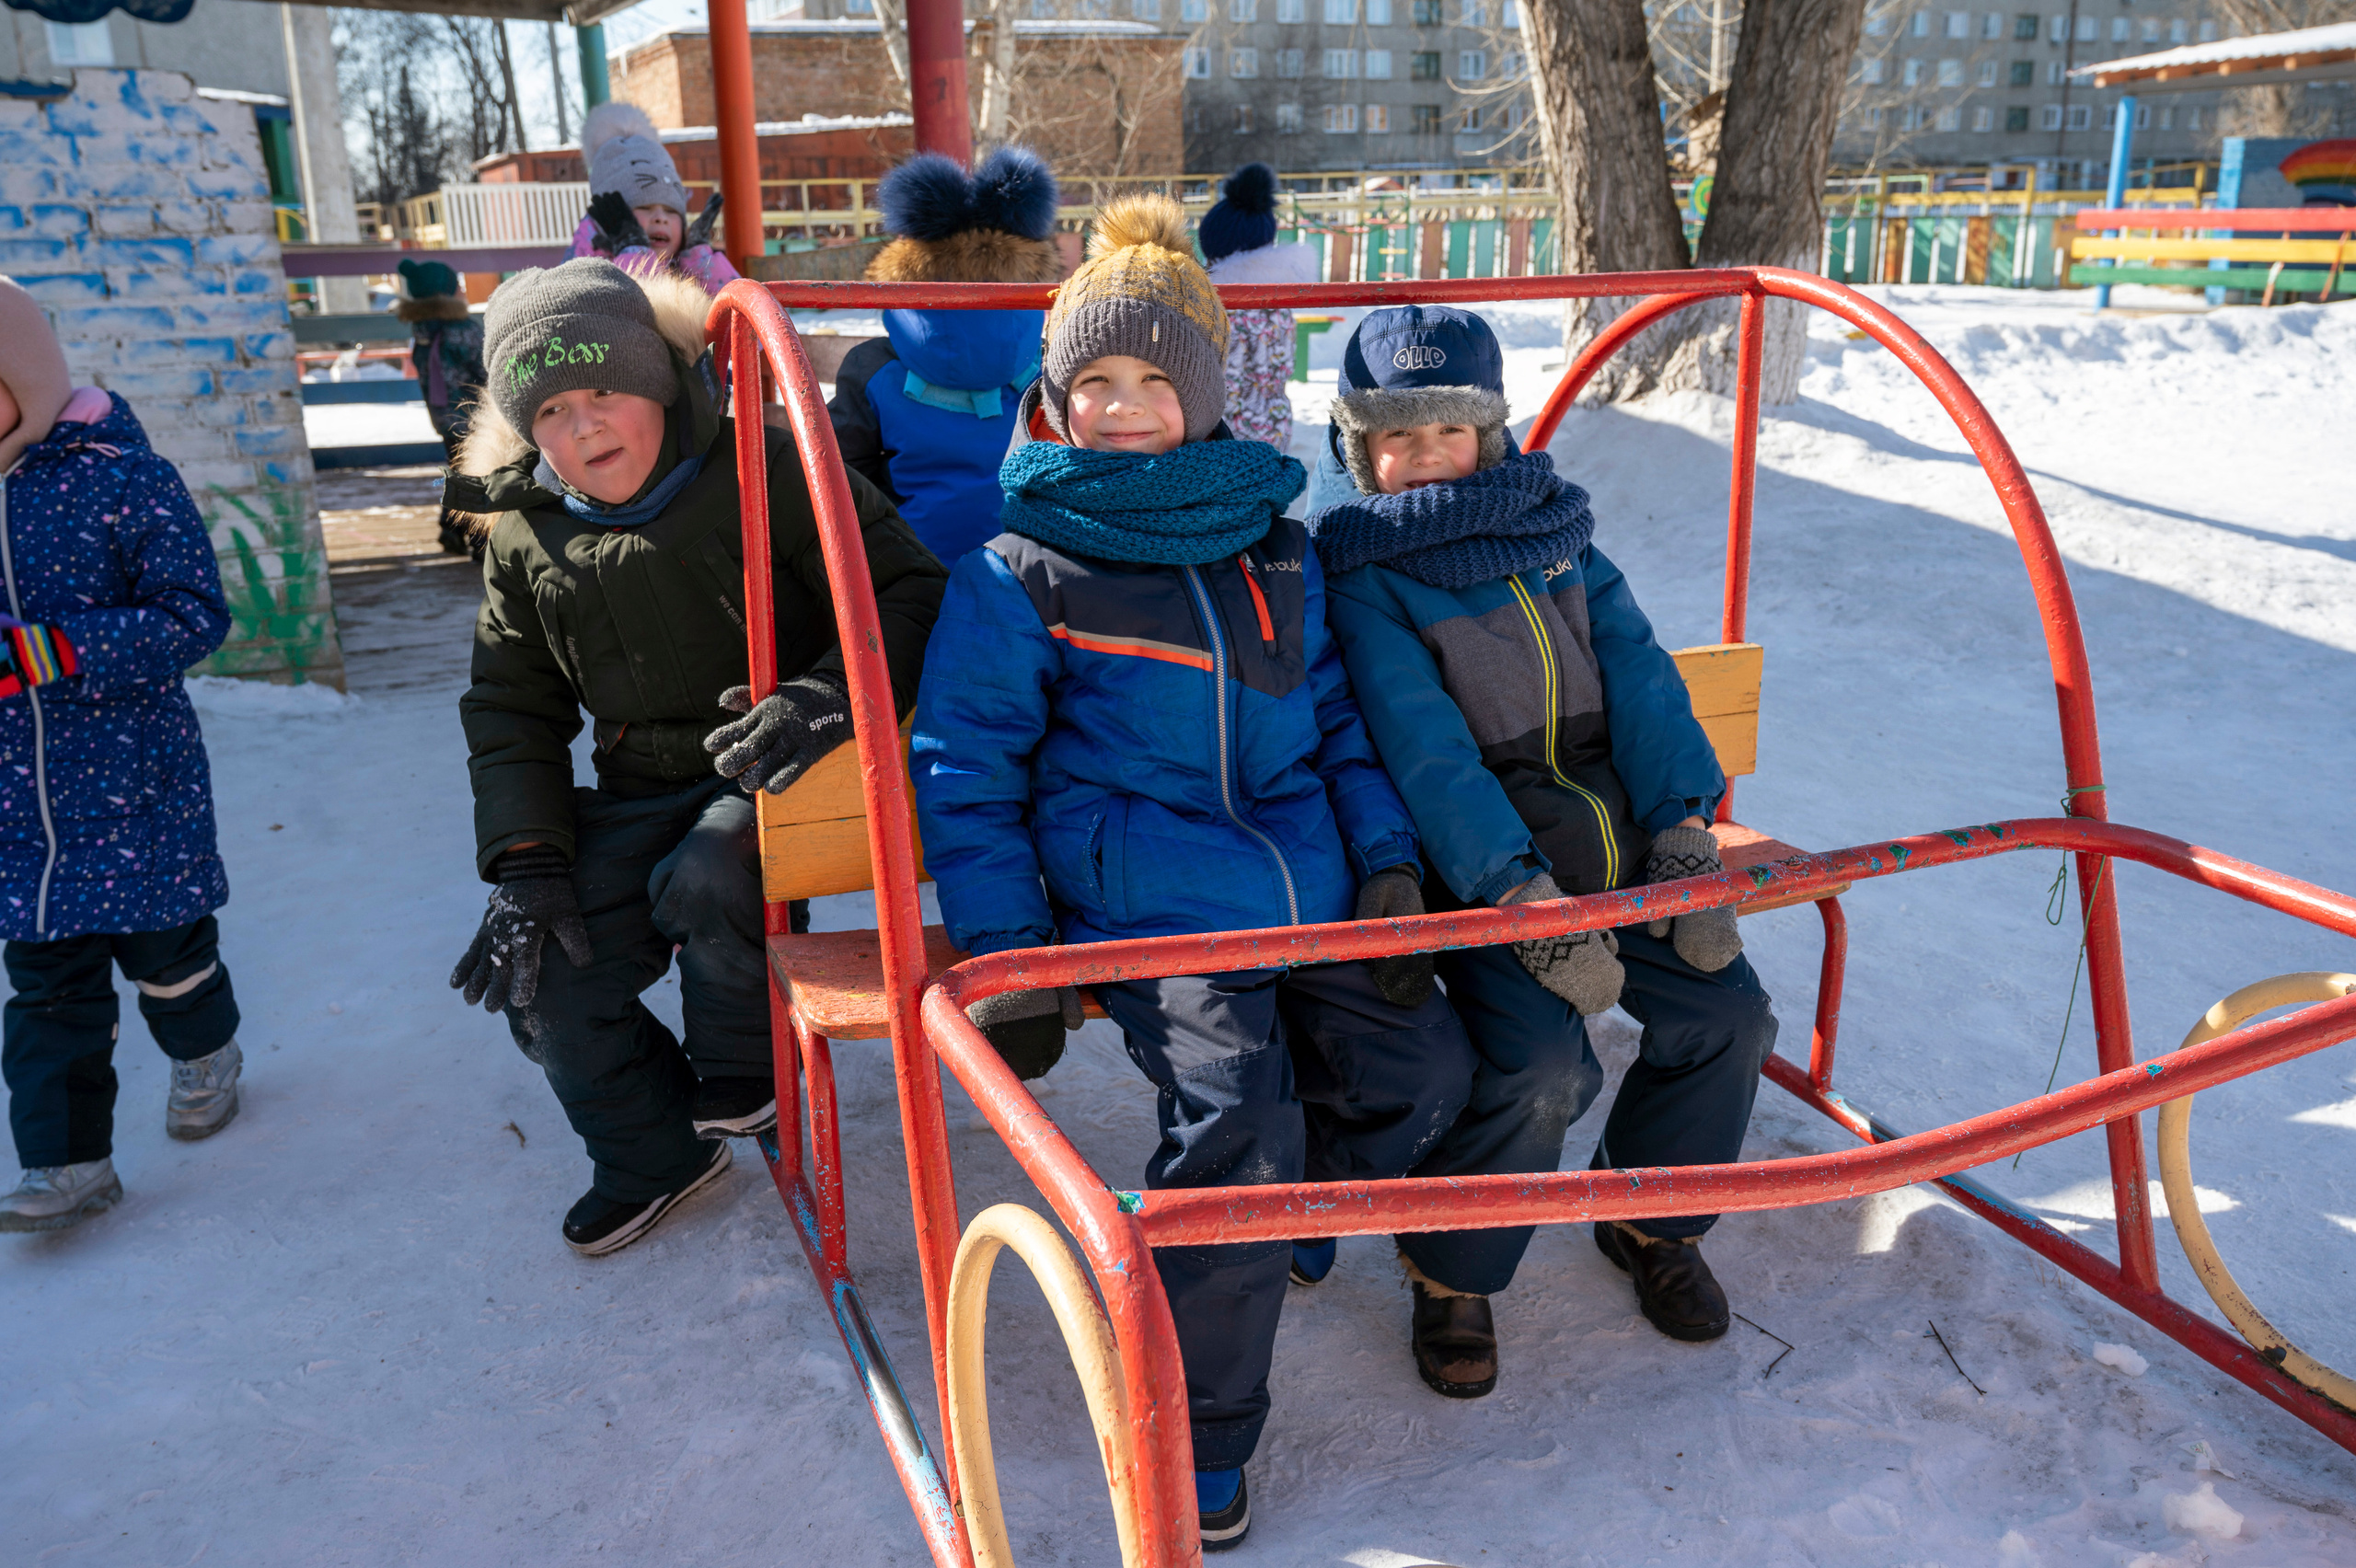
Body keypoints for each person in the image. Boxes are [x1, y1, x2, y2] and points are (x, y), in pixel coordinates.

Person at [910, 198, 1488, 1552]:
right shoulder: (1024, 569)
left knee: (1430, 1073)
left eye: (1152, 381)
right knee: (1234, 1131)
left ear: (1204, 390)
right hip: (1151, 903)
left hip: (1312, 885)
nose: (1120, 409)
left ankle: (1284, 1207)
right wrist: (1008, 956)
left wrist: (1392, 866)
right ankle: (1207, 1434)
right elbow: (966, 767)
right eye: (1092, 384)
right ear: (1055, 400)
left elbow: (1338, 723)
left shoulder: (1274, 543)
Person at [1306, 306, 1779, 1366]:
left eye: (1448, 431)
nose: (1425, 459)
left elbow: (1646, 685)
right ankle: (1451, 1266)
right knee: (1539, 1070)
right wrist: (1516, 892)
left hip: (1620, 846)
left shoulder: (1555, 537)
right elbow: (1425, 750)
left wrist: (1680, 830)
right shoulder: (1363, 575)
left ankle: (1650, 1212)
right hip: (1485, 872)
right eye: (1396, 436)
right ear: (1358, 449)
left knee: (1730, 1017)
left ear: (1491, 432)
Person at [445, 259, 945, 1258]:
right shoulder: (525, 539)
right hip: (637, 784)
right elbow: (512, 707)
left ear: (662, 383)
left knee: (714, 873)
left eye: (604, 393)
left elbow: (910, 591)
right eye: (549, 412)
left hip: (777, 770)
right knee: (547, 970)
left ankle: (747, 1071)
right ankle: (652, 1153)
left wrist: (825, 695)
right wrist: (529, 859)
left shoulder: (768, 470)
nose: (583, 427)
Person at [0, 277, 245, 1234]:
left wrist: (60, 650)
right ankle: (67, 1165)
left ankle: (206, 1052)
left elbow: (195, 616)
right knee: (47, 994)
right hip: (21, 813)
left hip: (133, 787)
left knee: (169, 960)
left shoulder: (120, 477)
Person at [828, 145, 1063, 568]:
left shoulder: (875, 369)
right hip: (1033, 566)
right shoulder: (1050, 364)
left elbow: (838, 472)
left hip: (913, 567)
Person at [1195, 162, 1319, 454]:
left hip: (1229, 439)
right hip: (1274, 427)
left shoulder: (1228, 306)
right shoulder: (1276, 298)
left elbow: (1226, 386)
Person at [569, 101, 739, 296]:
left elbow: (741, 313)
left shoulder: (689, 268)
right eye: (645, 207)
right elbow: (633, 314)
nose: (660, 217)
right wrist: (635, 253)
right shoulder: (588, 269)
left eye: (671, 210)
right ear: (610, 216)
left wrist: (701, 259)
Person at [394, 258, 489, 557]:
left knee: (460, 472)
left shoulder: (424, 331)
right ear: (445, 292)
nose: (461, 289)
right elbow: (489, 368)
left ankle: (451, 527)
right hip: (472, 417)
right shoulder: (460, 331)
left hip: (444, 417)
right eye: (456, 285)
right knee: (477, 477)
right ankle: (479, 541)